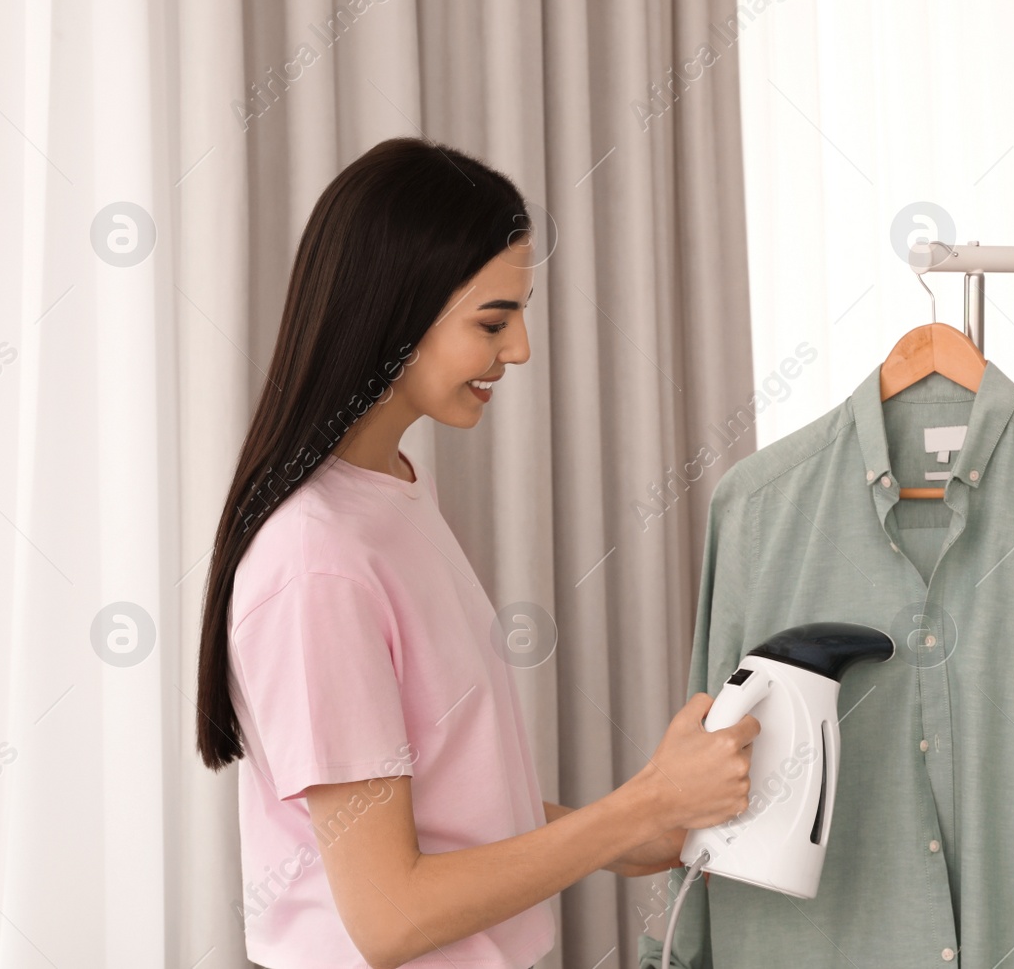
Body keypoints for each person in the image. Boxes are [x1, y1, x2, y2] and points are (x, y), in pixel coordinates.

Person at [194, 137, 759, 969]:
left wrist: (629, 827)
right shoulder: (315, 563)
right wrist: (635, 808)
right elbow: (389, 916)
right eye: (493, 321)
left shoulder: (392, 493)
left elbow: (441, 802)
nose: (521, 349)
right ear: (396, 311)